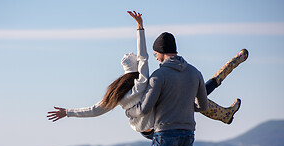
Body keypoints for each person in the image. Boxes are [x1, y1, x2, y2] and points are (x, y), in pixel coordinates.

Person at [47, 12, 248, 138]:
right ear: (135, 69)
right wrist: (140, 28)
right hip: (157, 126)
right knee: (193, 91)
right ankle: (227, 80)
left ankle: (224, 111)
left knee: (190, 92)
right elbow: (143, 56)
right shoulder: (143, 81)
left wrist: (68, 112)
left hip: (147, 130)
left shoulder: (116, 93)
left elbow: (95, 110)